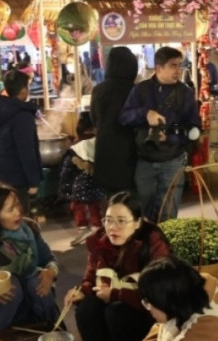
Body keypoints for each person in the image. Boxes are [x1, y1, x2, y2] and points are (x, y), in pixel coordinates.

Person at [69, 191, 171, 341]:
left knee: (115, 312)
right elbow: (90, 275)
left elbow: (160, 295)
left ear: (137, 223)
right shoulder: (99, 241)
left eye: (121, 221)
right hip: (112, 303)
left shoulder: (152, 245)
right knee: (87, 307)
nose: (112, 227)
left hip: (146, 312)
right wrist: (82, 290)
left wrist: (116, 294)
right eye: (108, 220)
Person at [119, 46, 201, 222]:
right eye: (173, 66)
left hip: (173, 159)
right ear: (158, 68)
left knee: (169, 211)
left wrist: (170, 136)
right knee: (143, 208)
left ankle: (165, 247)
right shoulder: (141, 90)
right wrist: (145, 114)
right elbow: (124, 117)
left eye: (180, 65)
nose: (178, 71)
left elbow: (193, 128)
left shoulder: (185, 93)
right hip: (145, 160)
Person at [0, 182, 61, 332]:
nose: (17, 212)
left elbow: (50, 259)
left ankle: (53, 331)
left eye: (17, 205)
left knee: (35, 280)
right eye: (10, 209)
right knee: (10, 284)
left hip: (33, 298)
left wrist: (51, 272)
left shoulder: (29, 229)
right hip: (2, 306)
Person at [0, 68, 42, 214]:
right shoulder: (22, 116)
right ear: (22, 90)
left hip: (2, 174)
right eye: (27, 87)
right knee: (20, 217)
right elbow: (26, 151)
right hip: (19, 178)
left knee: (6, 214)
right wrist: (33, 181)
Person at [90, 46, 140, 195]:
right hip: (131, 151)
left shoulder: (98, 90)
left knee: (111, 197)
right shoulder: (136, 90)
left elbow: (94, 120)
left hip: (105, 150)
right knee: (130, 199)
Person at [58, 113, 107, 246]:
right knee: (95, 207)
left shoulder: (76, 148)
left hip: (80, 186)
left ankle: (83, 228)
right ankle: (98, 228)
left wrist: (64, 189)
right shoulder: (101, 143)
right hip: (98, 184)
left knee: (78, 206)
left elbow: (67, 171)